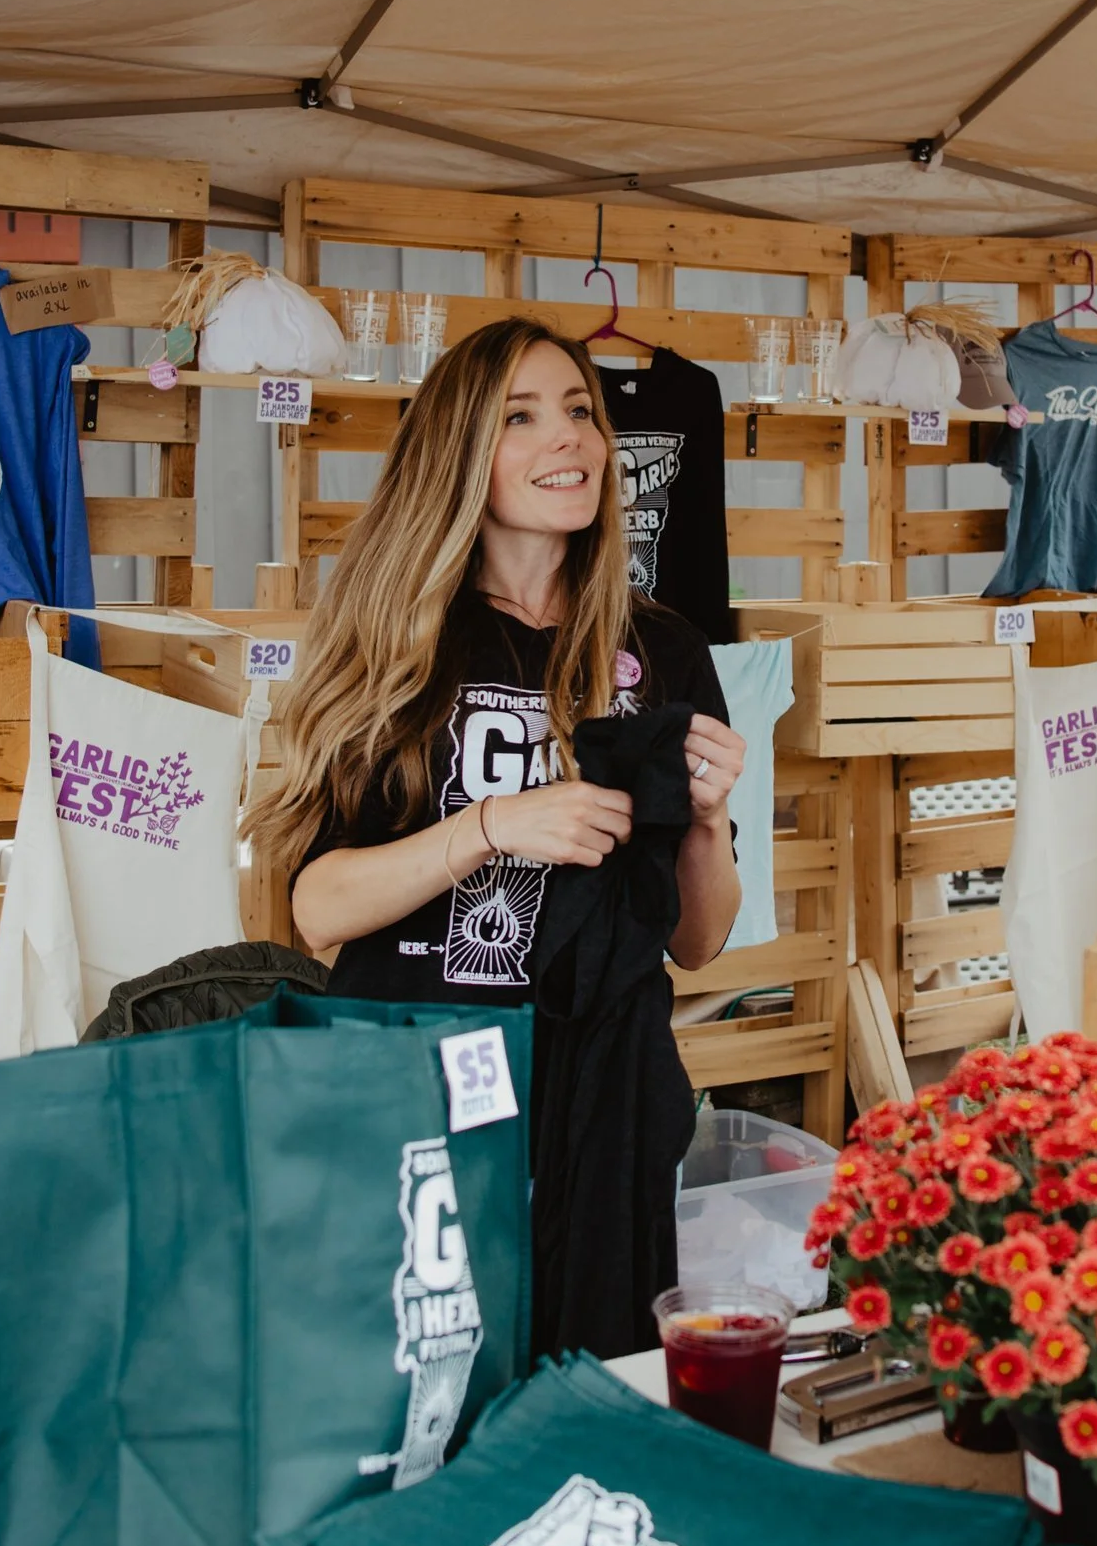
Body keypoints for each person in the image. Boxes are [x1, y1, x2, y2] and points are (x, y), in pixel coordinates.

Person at [244, 317, 745, 1355]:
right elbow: (317, 907)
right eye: (521, 417)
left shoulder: (662, 645)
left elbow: (696, 942)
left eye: (579, 413)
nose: (567, 439)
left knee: (597, 1382)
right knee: (421, 1382)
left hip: (602, 1093)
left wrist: (704, 823)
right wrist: (489, 826)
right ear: (461, 449)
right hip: (418, 1076)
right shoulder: (400, 636)